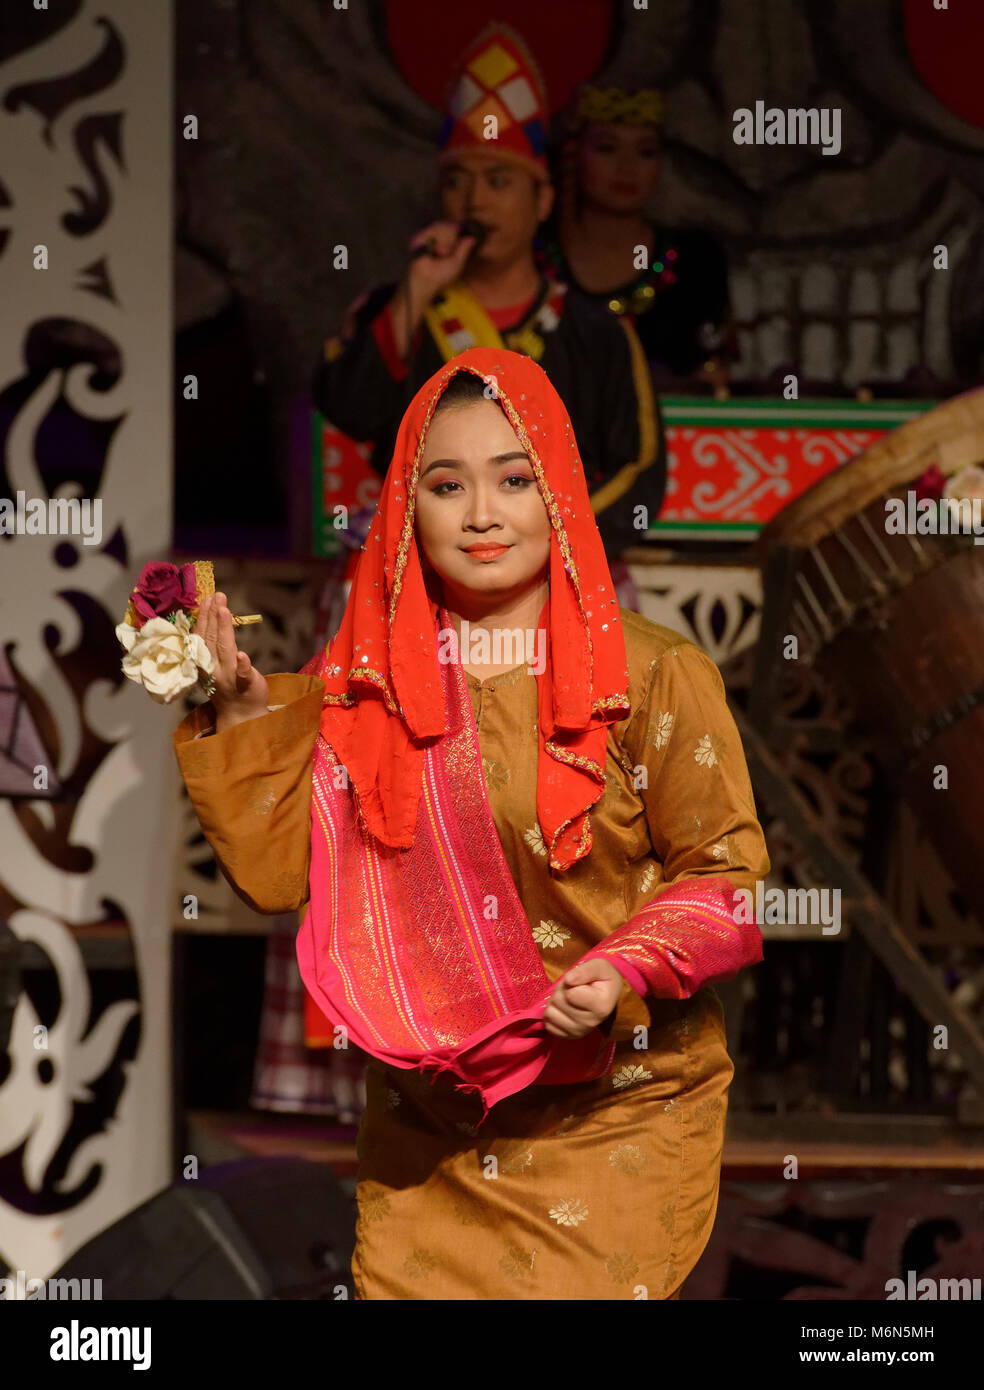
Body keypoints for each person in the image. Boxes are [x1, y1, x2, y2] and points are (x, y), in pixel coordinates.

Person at [173, 347, 770, 1300]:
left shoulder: (653, 675)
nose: (483, 515)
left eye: (515, 479)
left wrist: (625, 964)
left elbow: (731, 880)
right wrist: (245, 718)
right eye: (447, 485)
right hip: (432, 1137)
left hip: (611, 1116)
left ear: (561, 493)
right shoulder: (360, 686)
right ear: (409, 508)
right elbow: (282, 879)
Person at [311, 24, 663, 560]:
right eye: (457, 181)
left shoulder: (595, 332)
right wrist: (420, 286)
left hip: (562, 574)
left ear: (542, 198)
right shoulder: (399, 309)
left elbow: (638, 470)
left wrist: (542, 544)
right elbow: (349, 409)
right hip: (418, 574)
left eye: (499, 181)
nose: (474, 201)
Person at [541, 83, 737, 395]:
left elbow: (714, 377)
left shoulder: (696, 260)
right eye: (607, 148)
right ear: (574, 155)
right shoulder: (533, 257)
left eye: (646, 152)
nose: (627, 168)